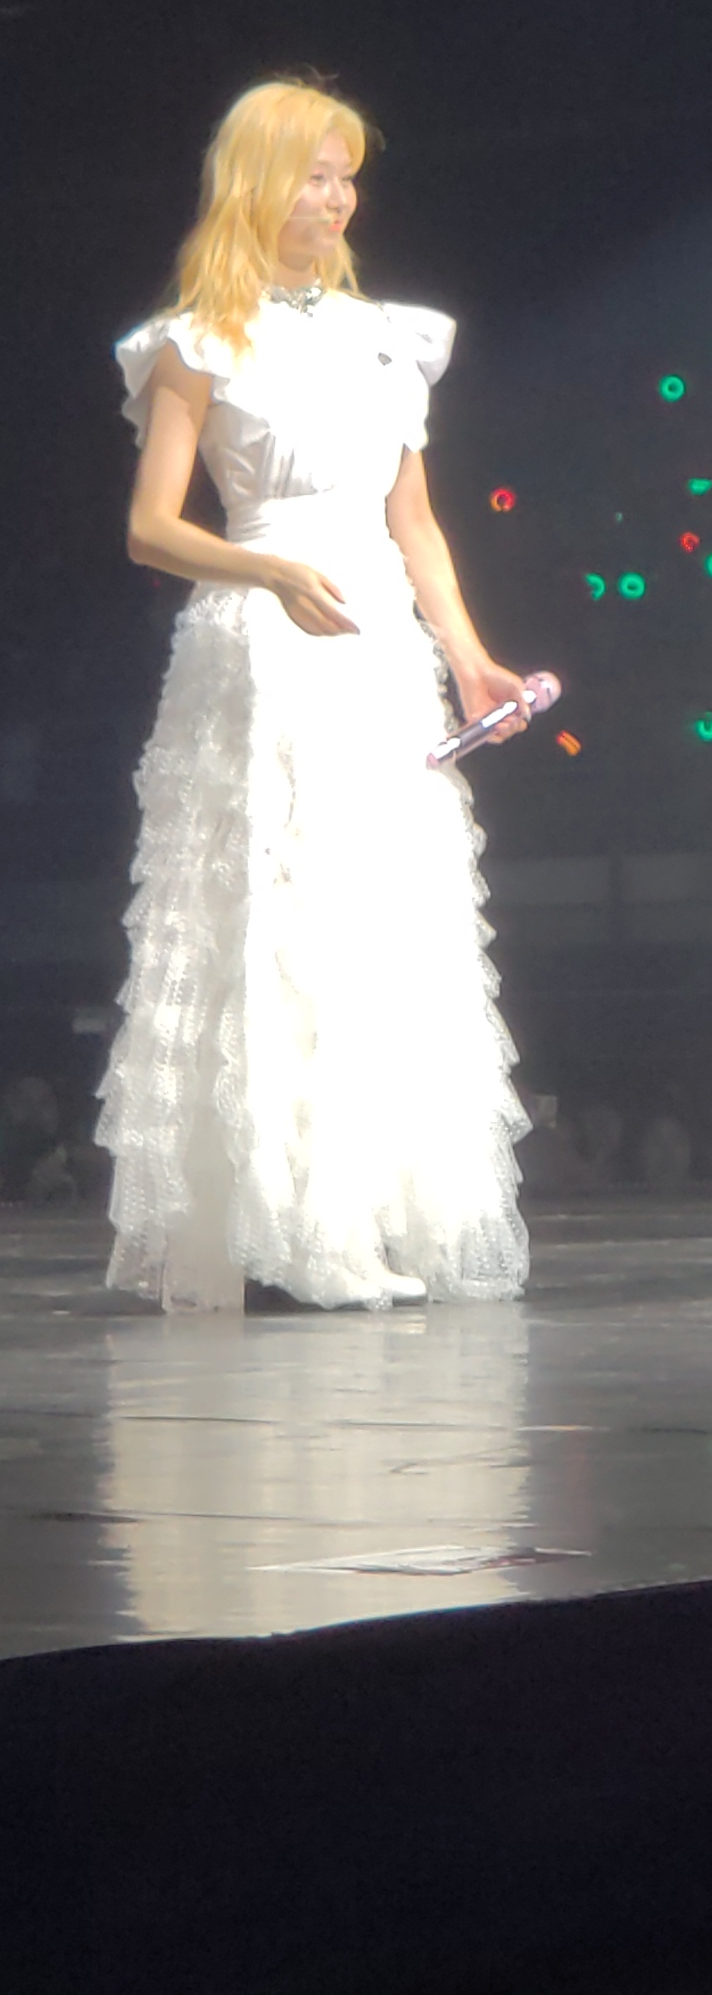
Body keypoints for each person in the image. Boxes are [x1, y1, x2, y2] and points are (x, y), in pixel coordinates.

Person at [105, 81, 529, 1313]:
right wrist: (269, 571)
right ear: (257, 181)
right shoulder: (196, 341)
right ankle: (281, 1222)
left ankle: (372, 1212)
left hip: (375, 642)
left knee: (379, 915)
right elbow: (151, 528)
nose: (337, 198)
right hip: (262, 637)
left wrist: (469, 655)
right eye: (313, 174)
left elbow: (415, 523)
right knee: (273, 914)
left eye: (346, 177)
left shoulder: (386, 338)